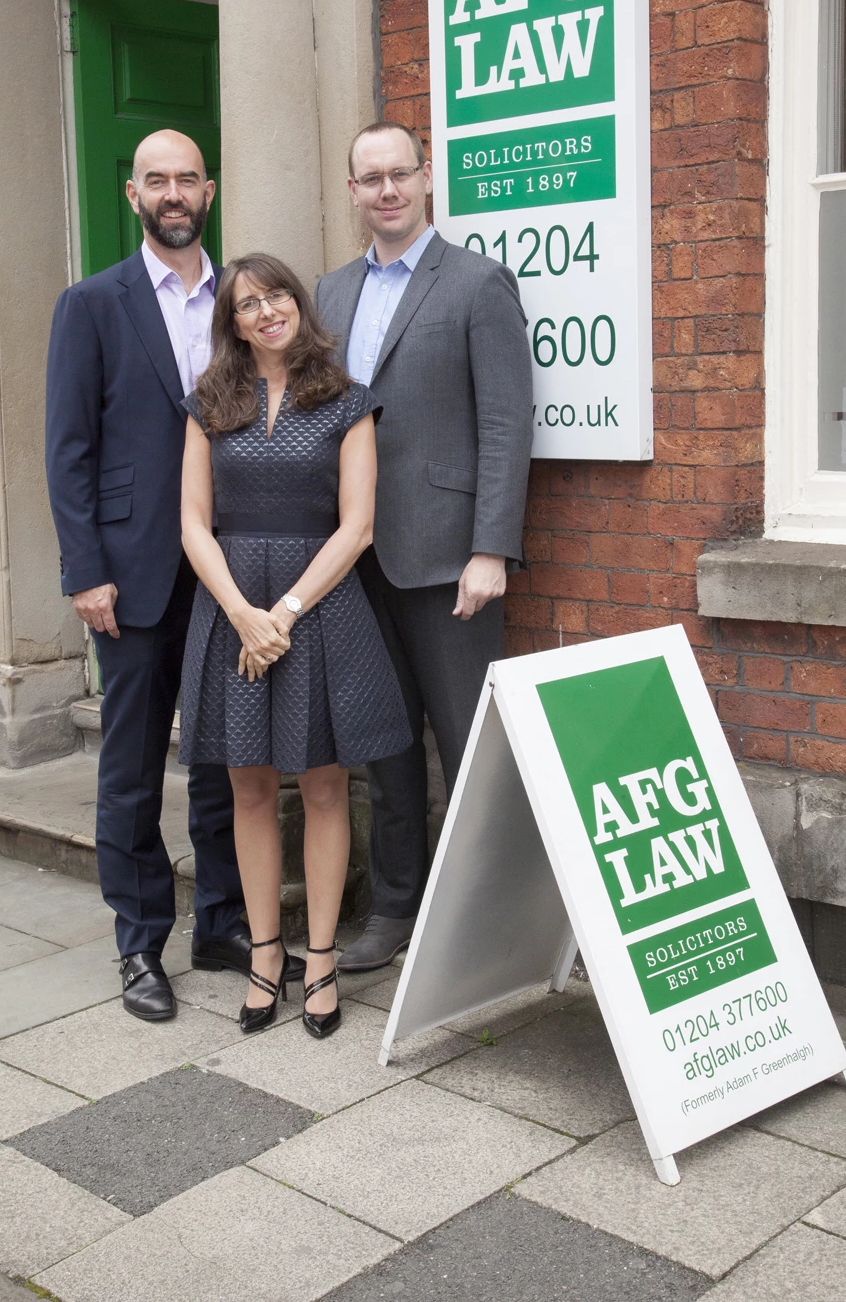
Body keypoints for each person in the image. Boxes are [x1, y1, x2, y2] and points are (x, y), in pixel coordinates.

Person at [45, 129, 303, 1022]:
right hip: (136, 572)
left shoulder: (244, 298)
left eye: (187, 178)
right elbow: (69, 449)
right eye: (156, 180)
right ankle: (140, 944)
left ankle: (225, 922)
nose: (173, 193)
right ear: (133, 195)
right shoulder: (92, 304)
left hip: (233, 567)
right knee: (132, 765)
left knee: (230, 757)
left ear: (210, 189)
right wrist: (86, 570)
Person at [316, 122, 534, 973]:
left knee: (470, 742)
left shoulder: (478, 283)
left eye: (400, 173)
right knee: (385, 743)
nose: (387, 191)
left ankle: (494, 919)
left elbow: (509, 424)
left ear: (427, 178)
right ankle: (396, 909)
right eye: (370, 179)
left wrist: (492, 547)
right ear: (353, 192)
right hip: (355, 560)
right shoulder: (329, 295)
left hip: (448, 559)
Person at [179, 252, 411, 1038]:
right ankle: (266, 954)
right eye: (247, 303)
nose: (266, 310)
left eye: (277, 295)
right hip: (232, 608)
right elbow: (192, 522)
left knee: (320, 785)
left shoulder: (345, 399)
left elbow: (359, 526)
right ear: (233, 322)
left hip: (319, 607)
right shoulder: (210, 400)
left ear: (298, 306)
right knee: (248, 786)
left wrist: (282, 610)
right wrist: (243, 614)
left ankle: (319, 961)